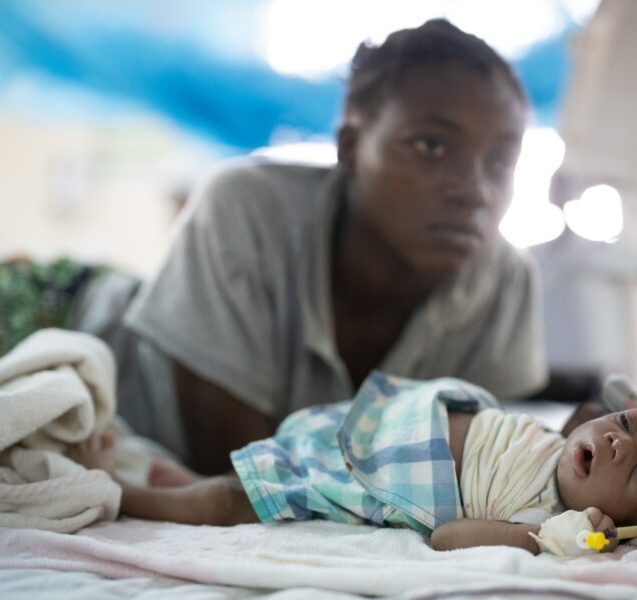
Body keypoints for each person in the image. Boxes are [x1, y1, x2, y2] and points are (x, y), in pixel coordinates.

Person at [118, 19, 547, 474]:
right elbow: (240, 478)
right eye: (431, 146)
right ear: (351, 147)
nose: (476, 191)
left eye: (500, 160)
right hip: (70, 315)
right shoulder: (246, 208)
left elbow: (477, 471)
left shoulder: (505, 283)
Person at [68, 372, 637, 554]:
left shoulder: (551, 520)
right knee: (264, 461)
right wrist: (618, 409)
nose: (618, 443)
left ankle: (122, 496)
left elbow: (447, 536)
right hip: (376, 425)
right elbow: (601, 410)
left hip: (363, 476)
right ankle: (189, 479)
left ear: (629, 523)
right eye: (629, 425)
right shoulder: (572, 443)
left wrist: (547, 540)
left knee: (235, 502)